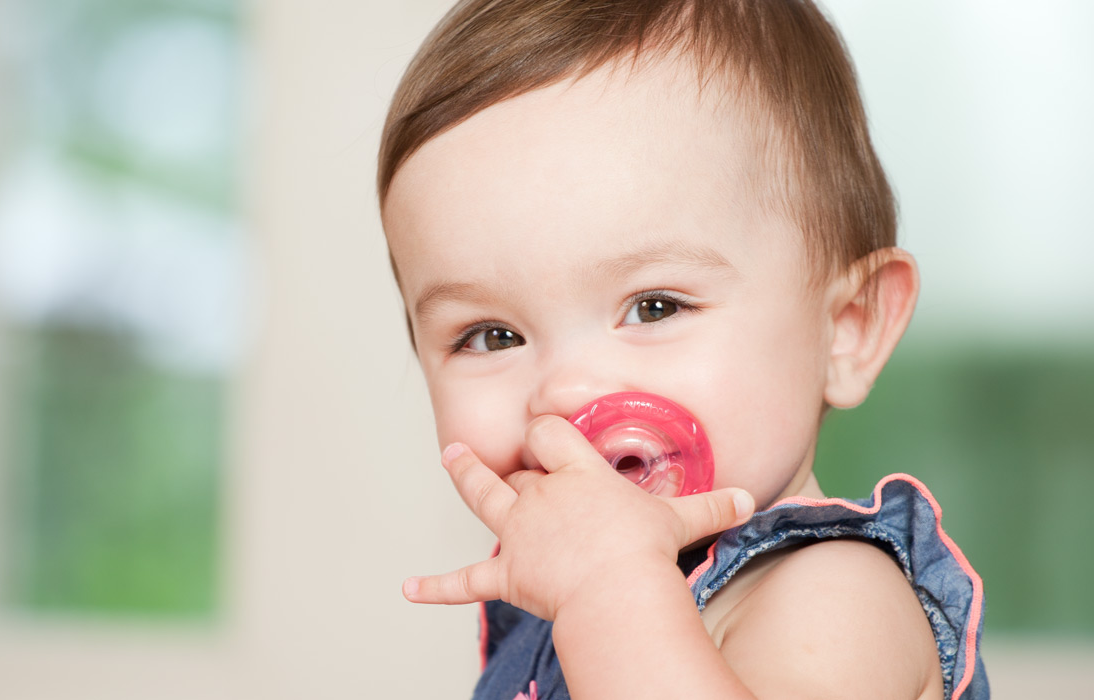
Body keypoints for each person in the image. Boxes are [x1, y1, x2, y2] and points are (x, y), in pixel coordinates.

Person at [376, 1, 987, 698]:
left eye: (654, 307)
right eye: (494, 336)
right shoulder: (560, 602)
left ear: (846, 327)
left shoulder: (835, 599)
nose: (566, 390)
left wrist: (607, 589)